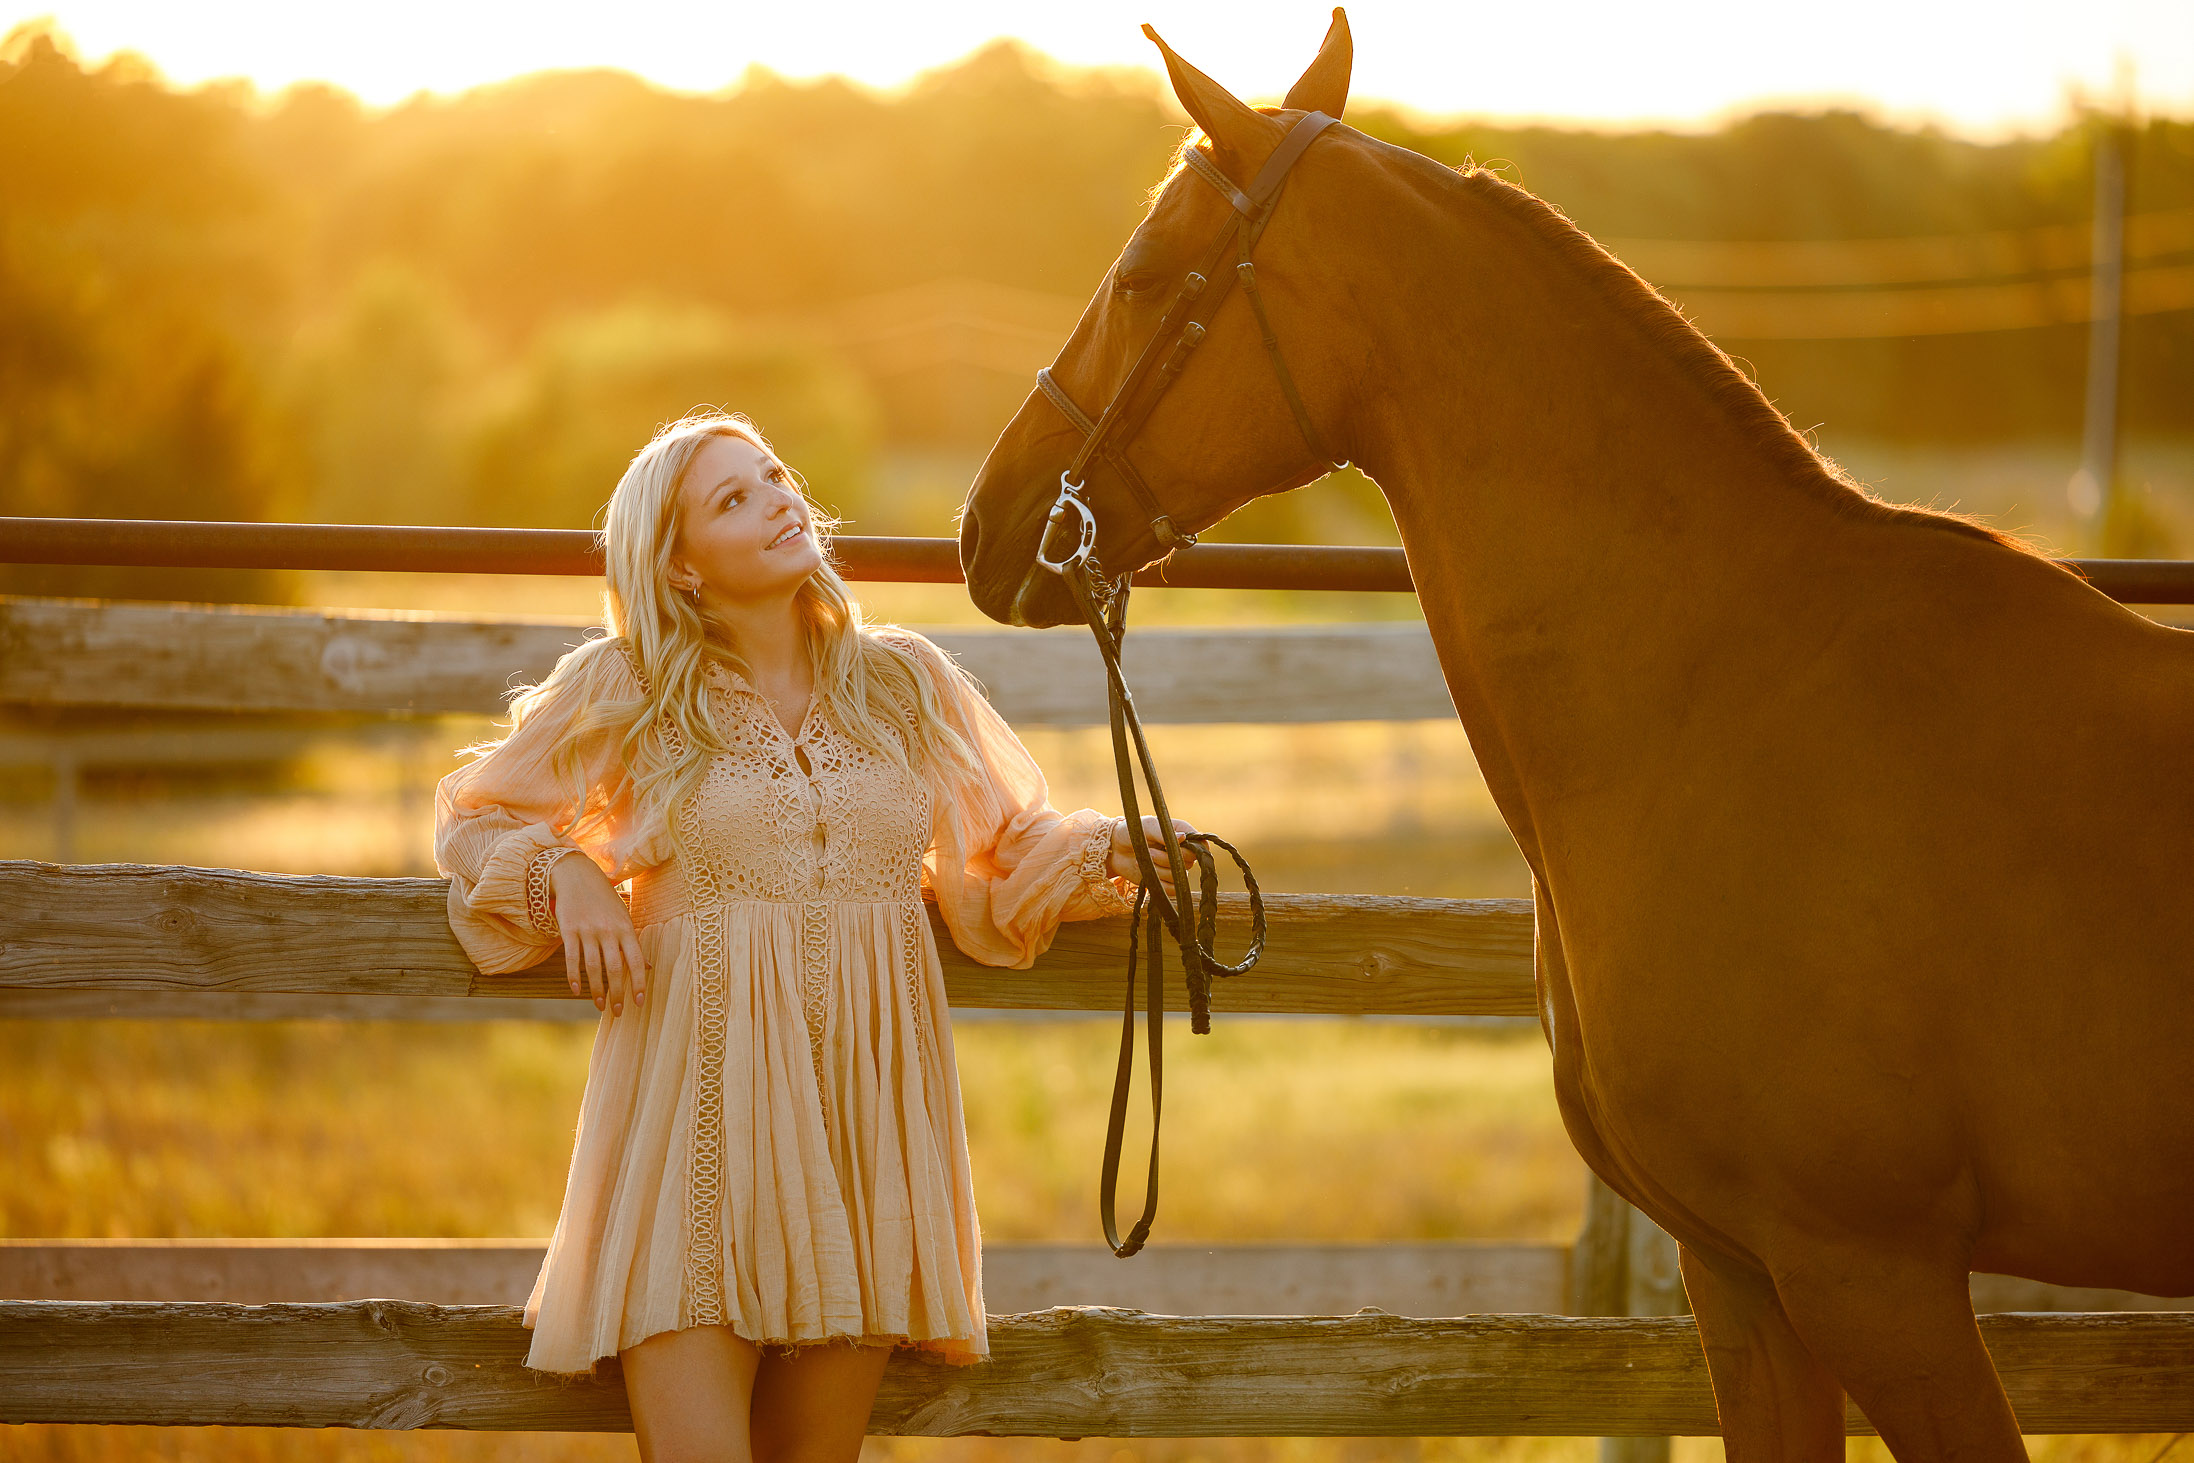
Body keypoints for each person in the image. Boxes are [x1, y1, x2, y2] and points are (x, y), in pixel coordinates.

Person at [434, 411, 1185, 1463]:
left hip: (864, 1126)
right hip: (696, 1120)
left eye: (775, 476)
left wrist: (1115, 844)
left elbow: (1002, 847)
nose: (780, 499)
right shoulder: (631, 686)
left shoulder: (902, 682)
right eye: (732, 498)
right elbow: (472, 814)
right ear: (681, 566)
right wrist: (568, 873)